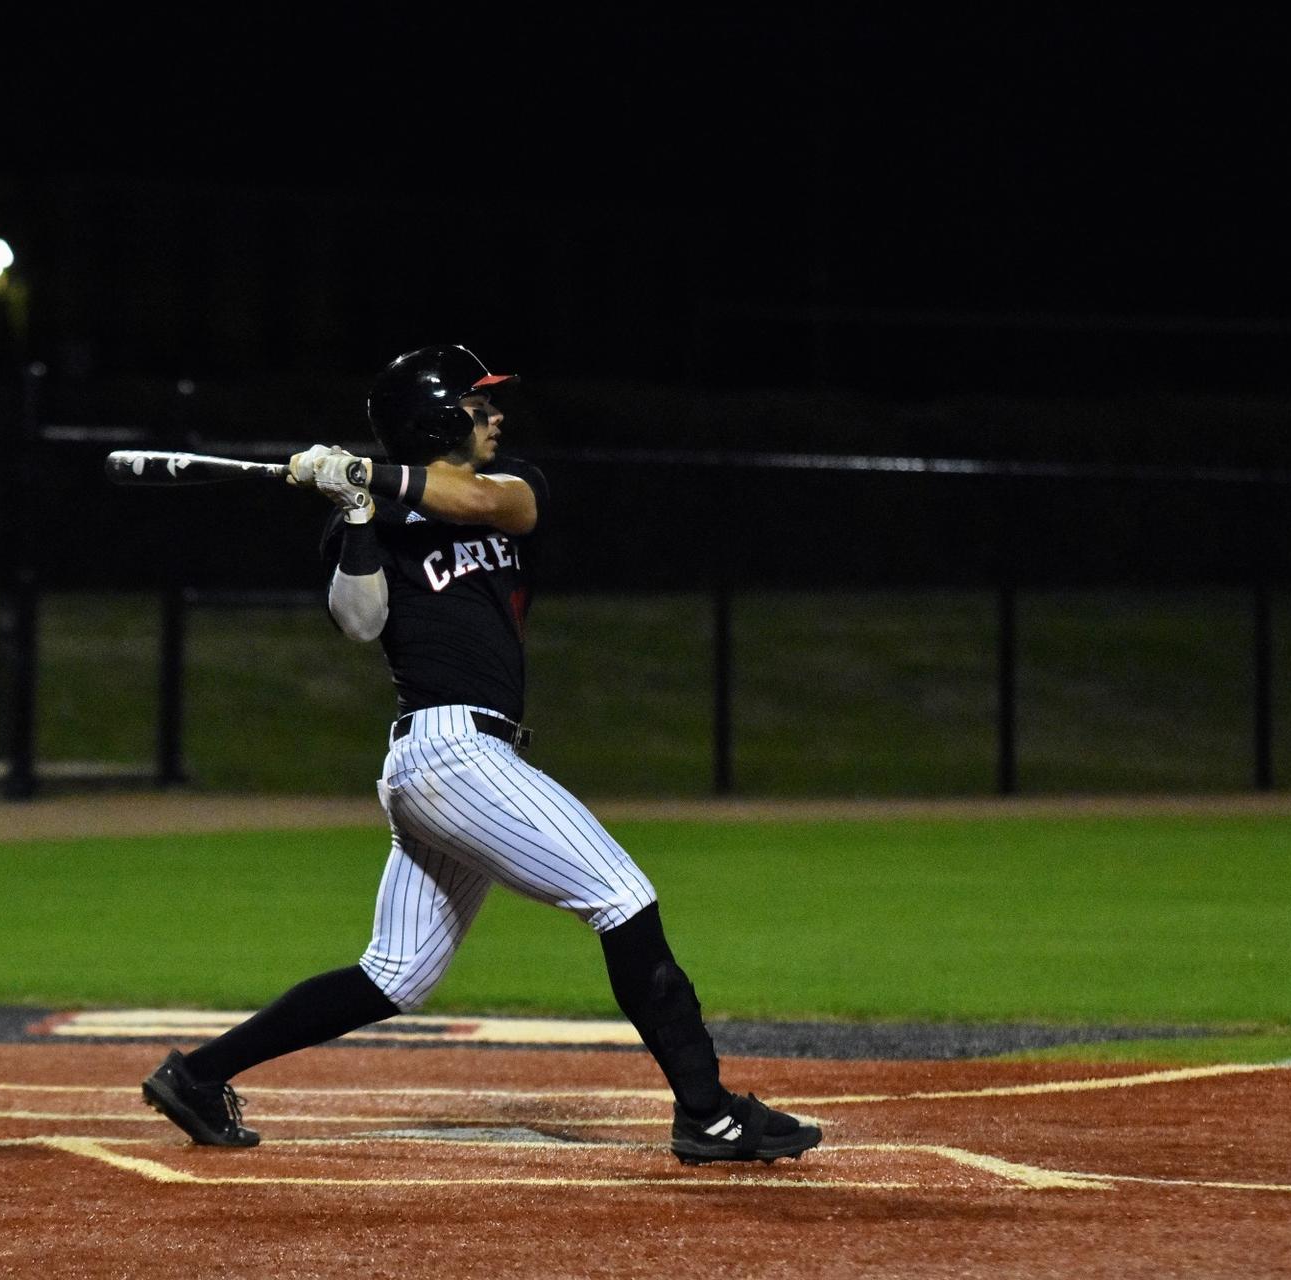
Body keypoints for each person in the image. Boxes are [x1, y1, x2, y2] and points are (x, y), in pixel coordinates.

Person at [141, 346, 821, 1167]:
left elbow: (495, 505)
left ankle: (199, 1075)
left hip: (462, 758)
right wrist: (356, 513)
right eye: (477, 404)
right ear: (434, 419)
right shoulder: (371, 516)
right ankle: (708, 1115)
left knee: (396, 975)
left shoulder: (508, 485)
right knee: (622, 897)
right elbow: (358, 623)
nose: (495, 416)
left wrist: (366, 475)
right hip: (445, 751)